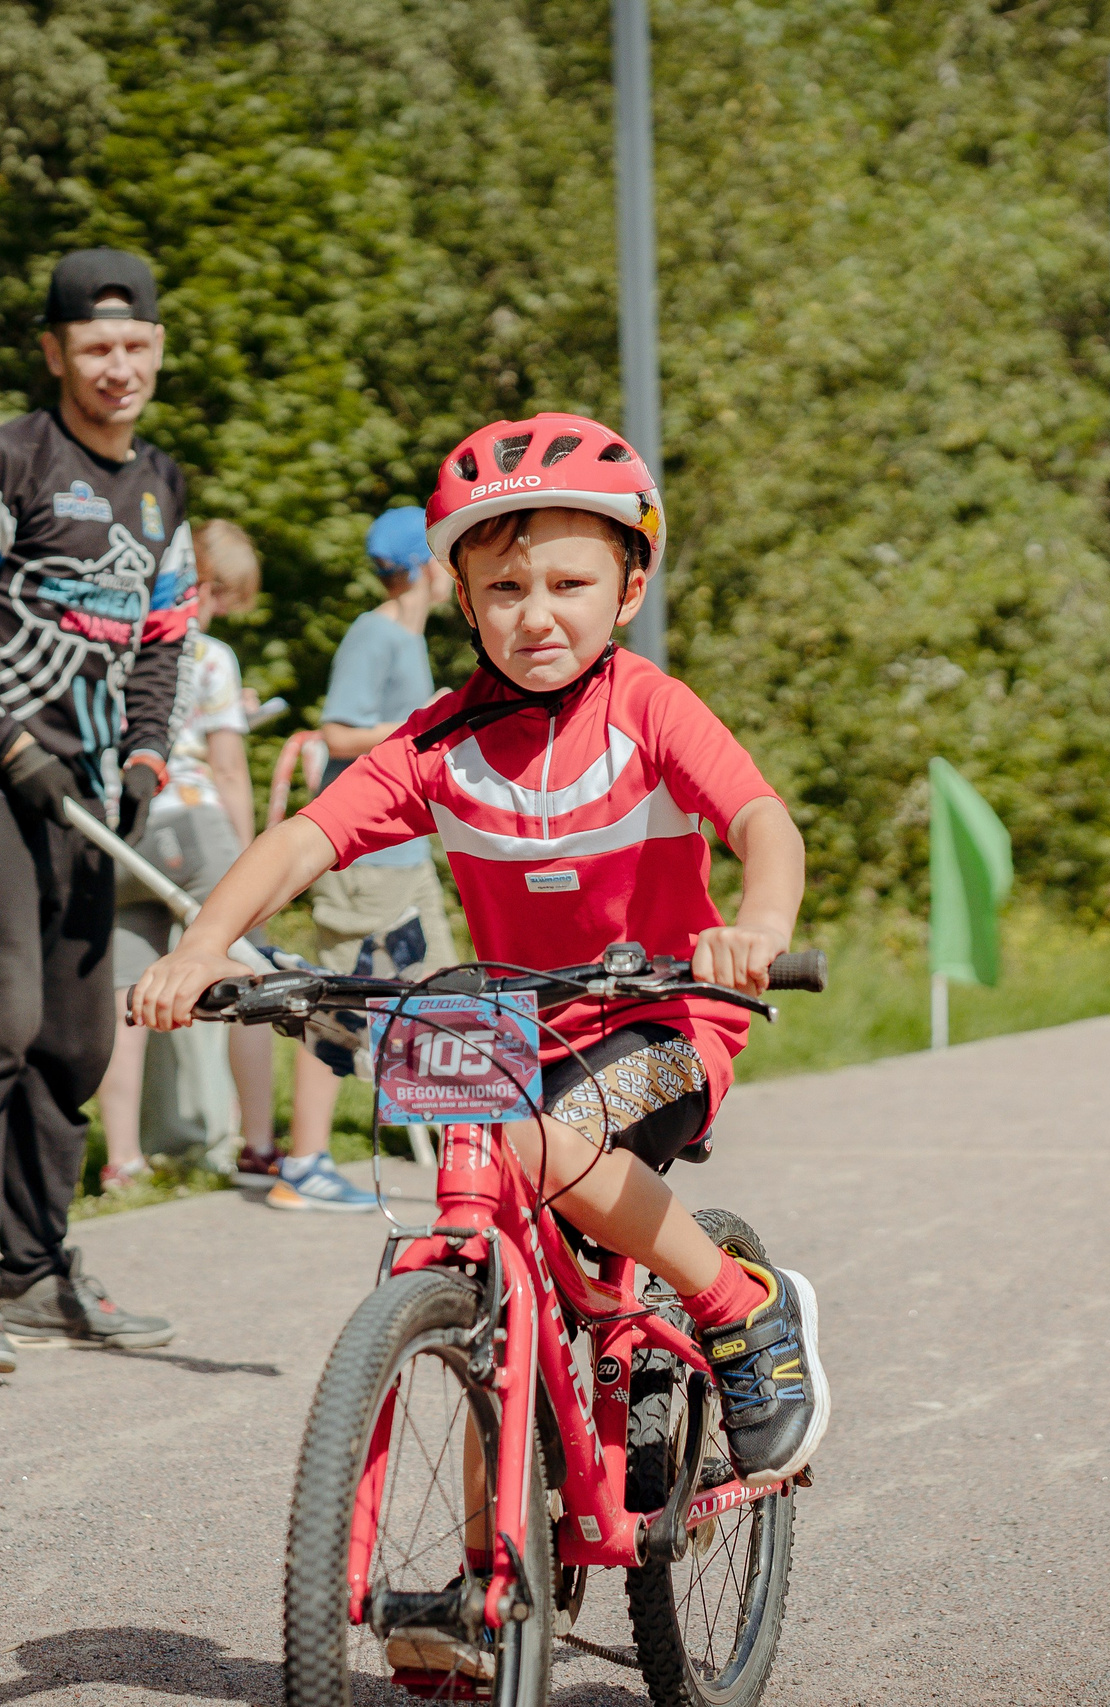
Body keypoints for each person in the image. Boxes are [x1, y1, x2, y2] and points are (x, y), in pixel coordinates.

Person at [133, 413, 829, 1485]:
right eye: (504, 591)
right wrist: (206, 947)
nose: (535, 615)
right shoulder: (442, 739)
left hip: (660, 1015)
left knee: (536, 1144)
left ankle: (744, 1306)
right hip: (505, 1024)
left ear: (627, 590)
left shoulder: (649, 710)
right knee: (496, 1304)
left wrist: (760, 929)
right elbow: (302, 838)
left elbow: (760, 824)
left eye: (567, 585)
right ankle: (472, 1617)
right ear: (463, 601)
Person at [0, 249, 182, 1373]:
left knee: (75, 1040)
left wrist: (146, 762)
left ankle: (39, 1267)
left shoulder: (162, 486)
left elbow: (164, 637)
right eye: (96, 347)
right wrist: (9, 746)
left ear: (157, 348)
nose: (119, 367)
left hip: (86, 796)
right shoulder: (3, 459)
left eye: (137, 345)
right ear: (56, 352)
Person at [261, 504, 461, 1213]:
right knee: (349, 1003)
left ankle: (464, 1161)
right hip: (365, 860)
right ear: (421, 568)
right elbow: (339, 732)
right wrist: (424, 722)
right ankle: (306, 1162)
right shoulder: (375, 634)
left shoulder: (405, 636)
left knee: (437, 992)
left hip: (400, 854)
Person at [97, 520, 277, 1189]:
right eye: (225, 595)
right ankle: (258, 1144)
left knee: (124, 997)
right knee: (250, 979)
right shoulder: (209, 654)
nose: (225, 610)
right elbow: (228, 768)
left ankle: (124, 1159)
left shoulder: (116, 644)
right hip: (196, 824)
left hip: (120, 830)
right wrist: (254, 859)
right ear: (207, 584)